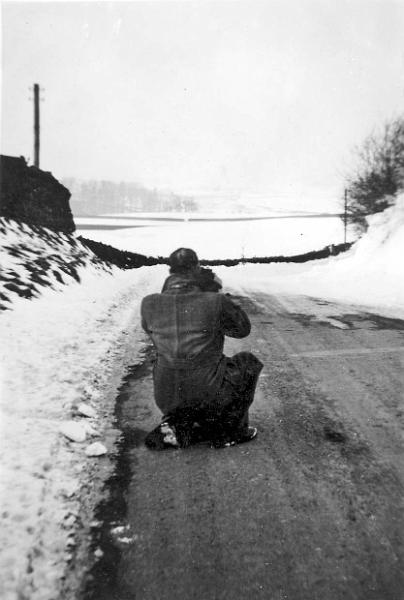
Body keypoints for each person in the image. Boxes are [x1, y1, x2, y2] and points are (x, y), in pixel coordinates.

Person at [141, 247, 263, 450]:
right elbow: (242, 330)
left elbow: (152, 332)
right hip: (208, 392)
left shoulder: (149, 303)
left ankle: (179, 422)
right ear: (197, 268)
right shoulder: (214, 300)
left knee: (168, 363)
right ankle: (231, 432)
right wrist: (216, 294)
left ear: (170, 272)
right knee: (247, 362)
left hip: (167, 395)